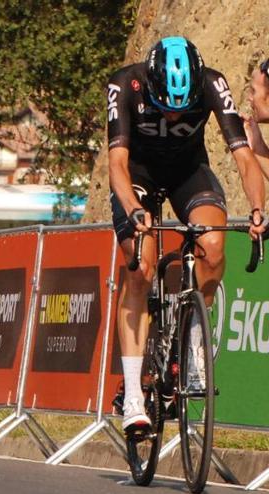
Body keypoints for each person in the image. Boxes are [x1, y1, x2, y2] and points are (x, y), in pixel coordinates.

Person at [107, 36, 266, 435]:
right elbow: (116, 162)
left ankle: (192, 336)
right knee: (140, 269)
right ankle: (133, 398)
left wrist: (259, 209)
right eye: (166, 110)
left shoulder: (213, 83)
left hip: (187, 172)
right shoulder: (125, 84)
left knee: (213, 246)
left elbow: (244, 157)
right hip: (136, 176)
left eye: (183, 110)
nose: (176, 118)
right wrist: (133, 209)